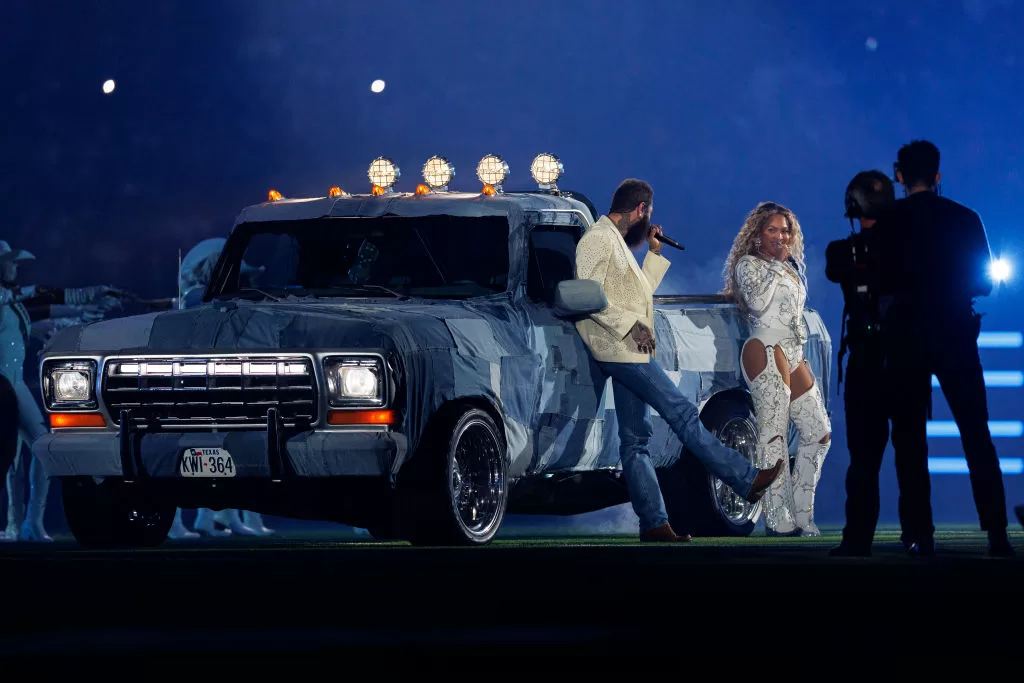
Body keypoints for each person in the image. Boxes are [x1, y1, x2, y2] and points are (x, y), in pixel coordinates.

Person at [574, 178, 783, 542]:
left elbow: (635, 292)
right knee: (683, 415)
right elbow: (587, 296)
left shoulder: (615, 243)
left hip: (626, 349)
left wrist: (653, 253)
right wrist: (632, 327)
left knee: (635, 440)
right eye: (648, 213)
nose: (649, 220)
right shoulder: (596, 239)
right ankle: (747, 480)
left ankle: (654, 523)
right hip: (618, 350)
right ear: (640, 209)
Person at [873, 139, 1014, 558]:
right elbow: (984, 282)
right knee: (976, 434)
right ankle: (996, 534)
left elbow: (877, 284)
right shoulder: (965, 218)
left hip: (905, 336)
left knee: (910, 440)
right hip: (954, 333)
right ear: (937, 176)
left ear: (900, 176)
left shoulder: (888, 223)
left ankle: (920, 534)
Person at [721, 202, 832, 537]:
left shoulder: (790, 267)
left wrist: (802, 353)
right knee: (774, 434)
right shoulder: (749, 264)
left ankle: (802, 512)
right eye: (772, 230)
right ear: (757, 234)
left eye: (785, 230)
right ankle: (777, 517)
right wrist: (775, 266)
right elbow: (756, 303)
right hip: (764, 347)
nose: (781, 236)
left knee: (819, 433)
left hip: (793, 351)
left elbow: (795, 313)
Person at [0, 239, 122, 541]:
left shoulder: (13, 304)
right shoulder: (6, 298)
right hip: (1, 384)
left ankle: (29, 522)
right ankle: (15, 524)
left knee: (41, 449)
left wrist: (86, 312)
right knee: (8, 459)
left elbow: (42, 318)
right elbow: (38, 298)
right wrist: (80, 297)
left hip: (12, 384)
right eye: (10, 261)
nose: (15, 267)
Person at [168, 237, 273, 539]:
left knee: (223, 453)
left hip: (218, 381)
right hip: (197, 385)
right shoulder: (198, 296)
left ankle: (216, 516)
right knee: (189, 454)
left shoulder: (213, 296)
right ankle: (179, 522)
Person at [825, 170, 899, 556]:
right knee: (910, 452)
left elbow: (835, 266)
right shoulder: (907, 249)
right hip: (903, 360)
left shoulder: (843, 252)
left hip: (867, 362)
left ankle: (858, 538)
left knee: (864, 458)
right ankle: (919, 536)